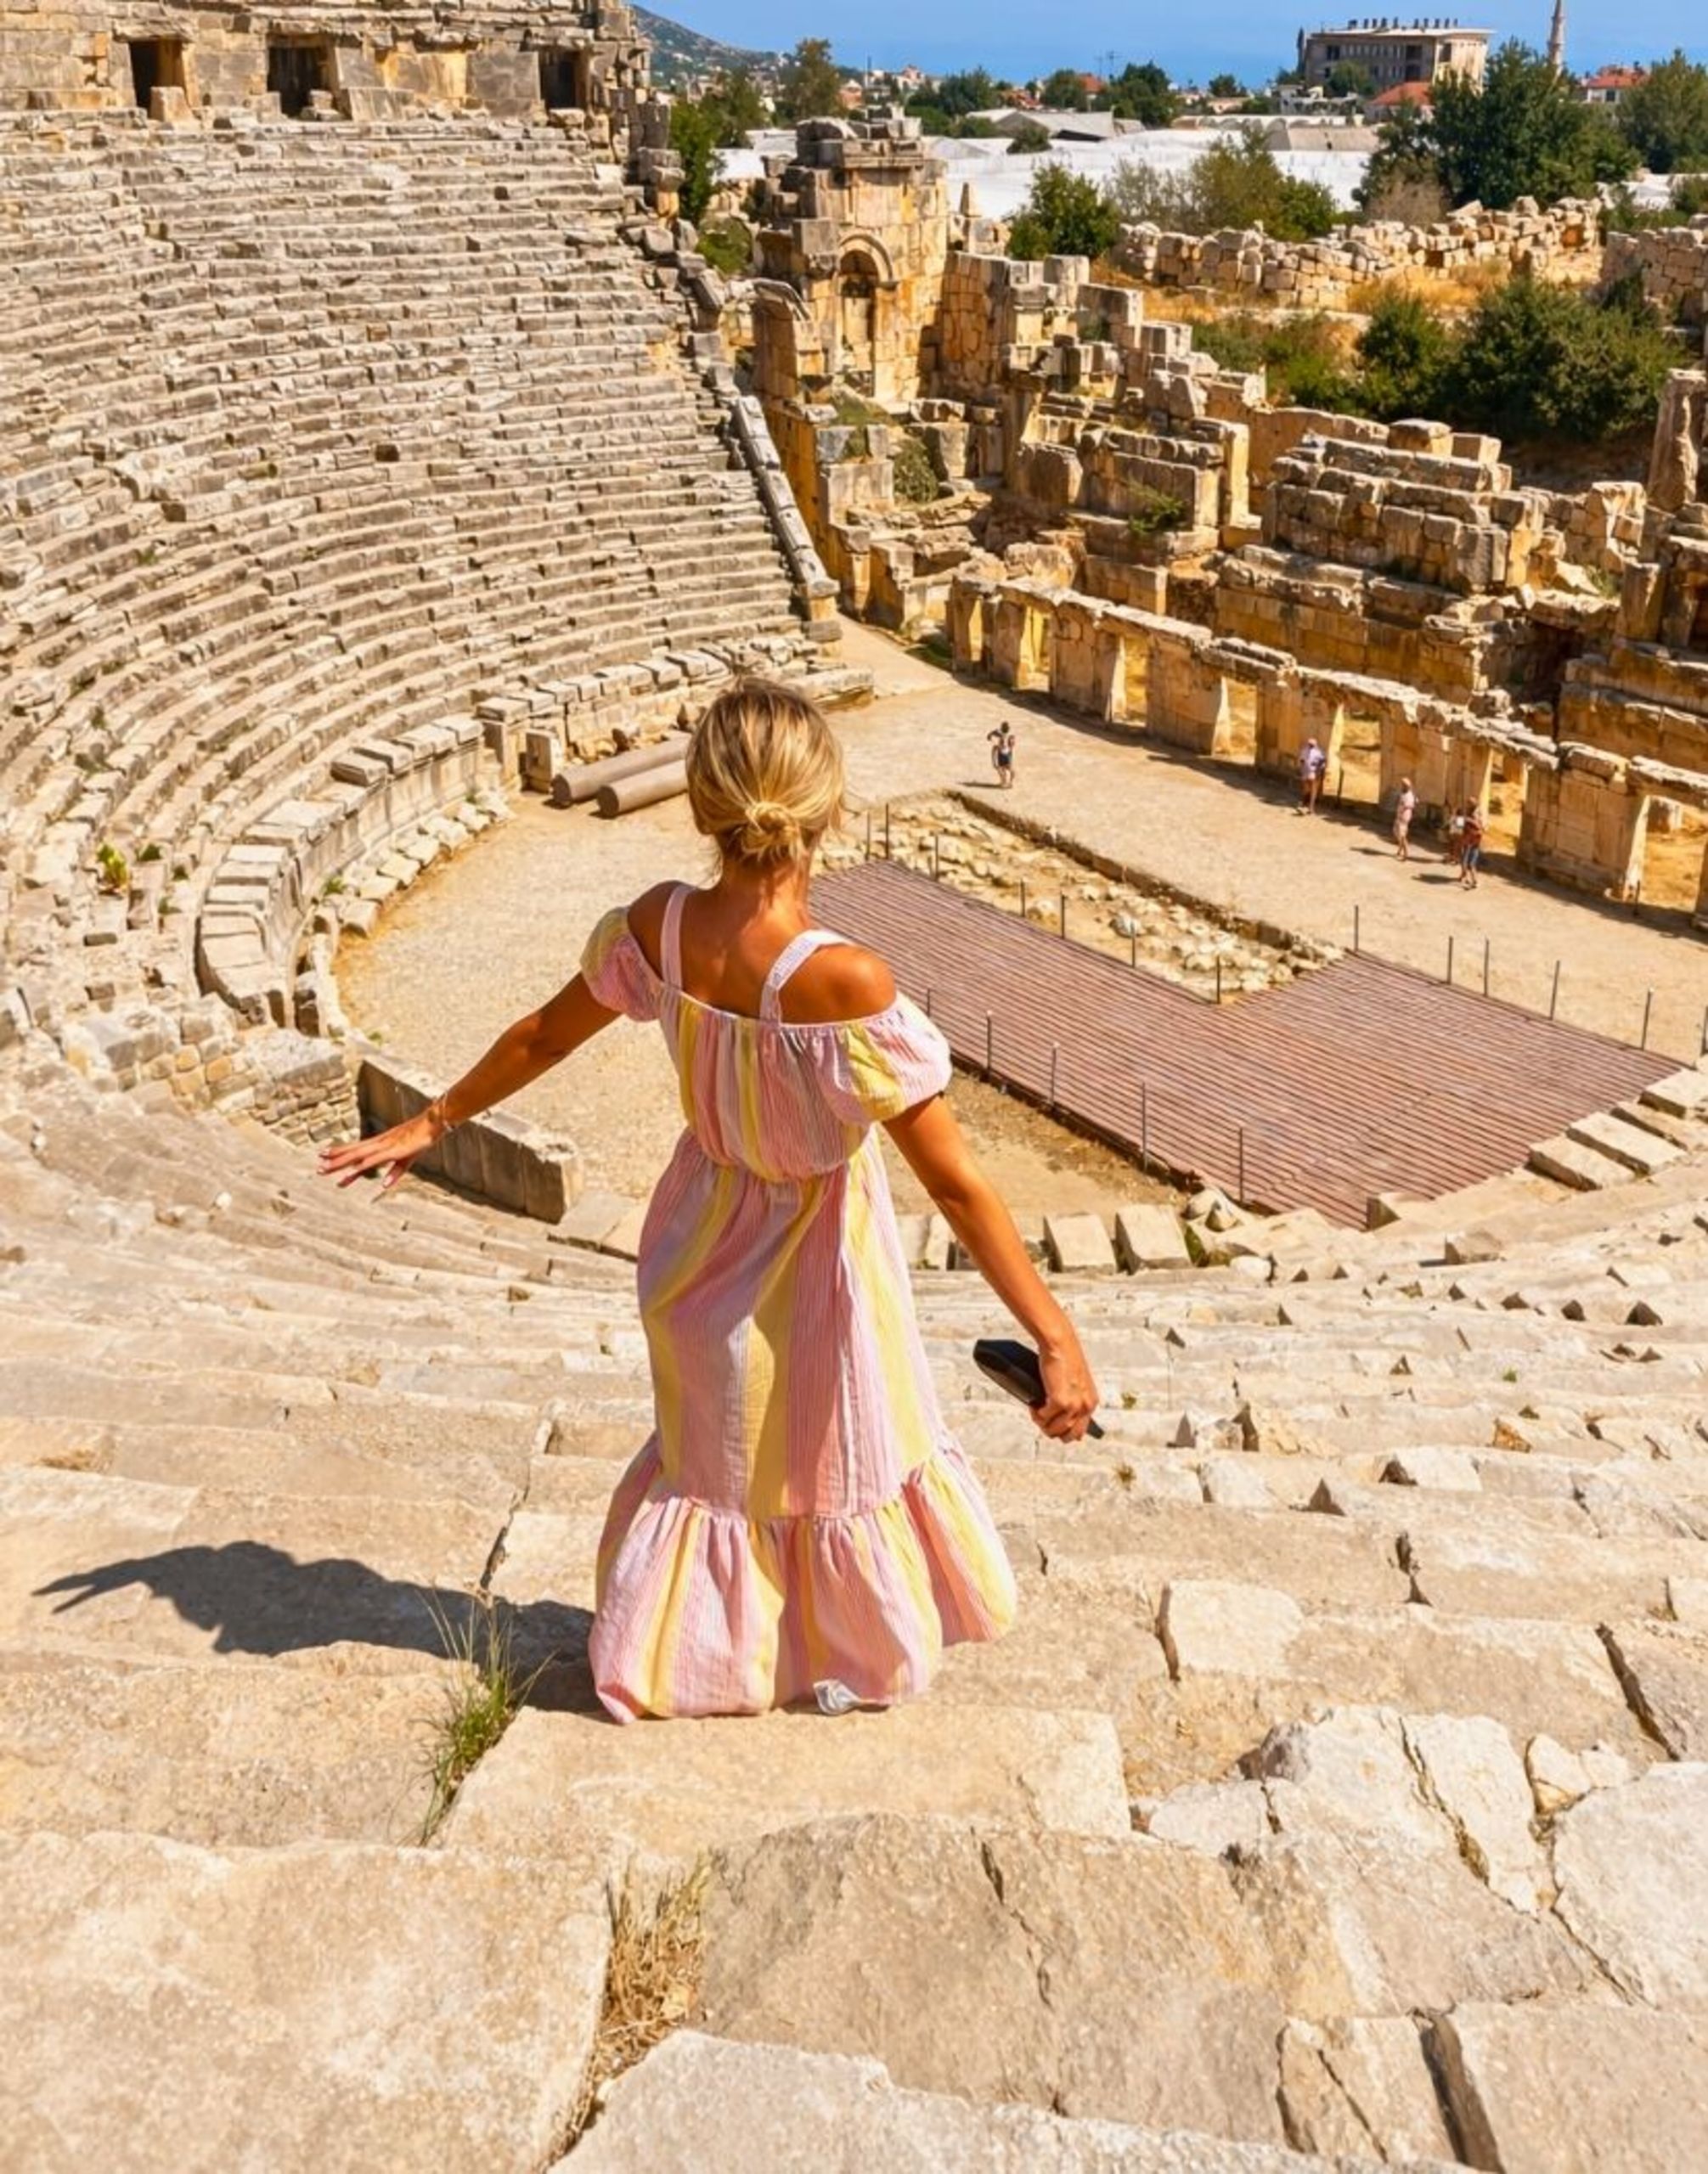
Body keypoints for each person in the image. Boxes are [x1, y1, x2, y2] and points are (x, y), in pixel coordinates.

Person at [318, 679, 1097, 1723]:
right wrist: (1054, 1335)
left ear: (701, 806)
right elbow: (953, 1182)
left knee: (721, 1465)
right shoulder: (845, 982)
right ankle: (830, 1650)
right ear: (826, 810)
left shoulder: (661, 925)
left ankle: (692, 1655)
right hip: (816, 1252)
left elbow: (544, 1035)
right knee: (827, 1459)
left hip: (695, 1238)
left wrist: (435, 1119)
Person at [1459, 799, 1485, 889]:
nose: (1468, 805)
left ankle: (1475, 881)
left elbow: (1481, 829)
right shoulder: (1467, 814)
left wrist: (1470, 821)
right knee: (1464, 860)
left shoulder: (1477, 815)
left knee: (1471, 864)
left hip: (1474, 843)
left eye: (1469, 803)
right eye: (1468, 803)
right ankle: (1464, 876)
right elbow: (1459, 826)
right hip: (1467, 841)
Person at [1298, 735, 1327, 814]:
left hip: (1311, 772)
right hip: (1310, 772)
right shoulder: (1317, 752)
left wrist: (1318, 769)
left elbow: (1322, 761)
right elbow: (1323, 761)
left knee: (1310, 790)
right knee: (1310, 790)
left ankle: (1308, 806)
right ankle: (1308, 806)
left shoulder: (1308, 751)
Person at [1393, 776, 1416, 862]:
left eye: (1403, 785)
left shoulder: (1409, 796)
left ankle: (1406, 855)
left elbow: (1410, 806)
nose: (1401, 786)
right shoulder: (1404, 793)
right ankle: (1400, 850)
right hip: (1400, 816)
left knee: (1402, 836)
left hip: (1403, 817)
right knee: (1397, 832)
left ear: (1407, 786)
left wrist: (1403, 810)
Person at [988, 720, 1016, 789]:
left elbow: (992, 734)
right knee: (1008, 768)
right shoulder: (1010, 735)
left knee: (1002, 769)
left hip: (1002, 753)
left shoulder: (1001, 734)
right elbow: (1012, 744)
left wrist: (990, 736)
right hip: (1007, 753)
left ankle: (1004, 782)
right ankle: (1009, 783)